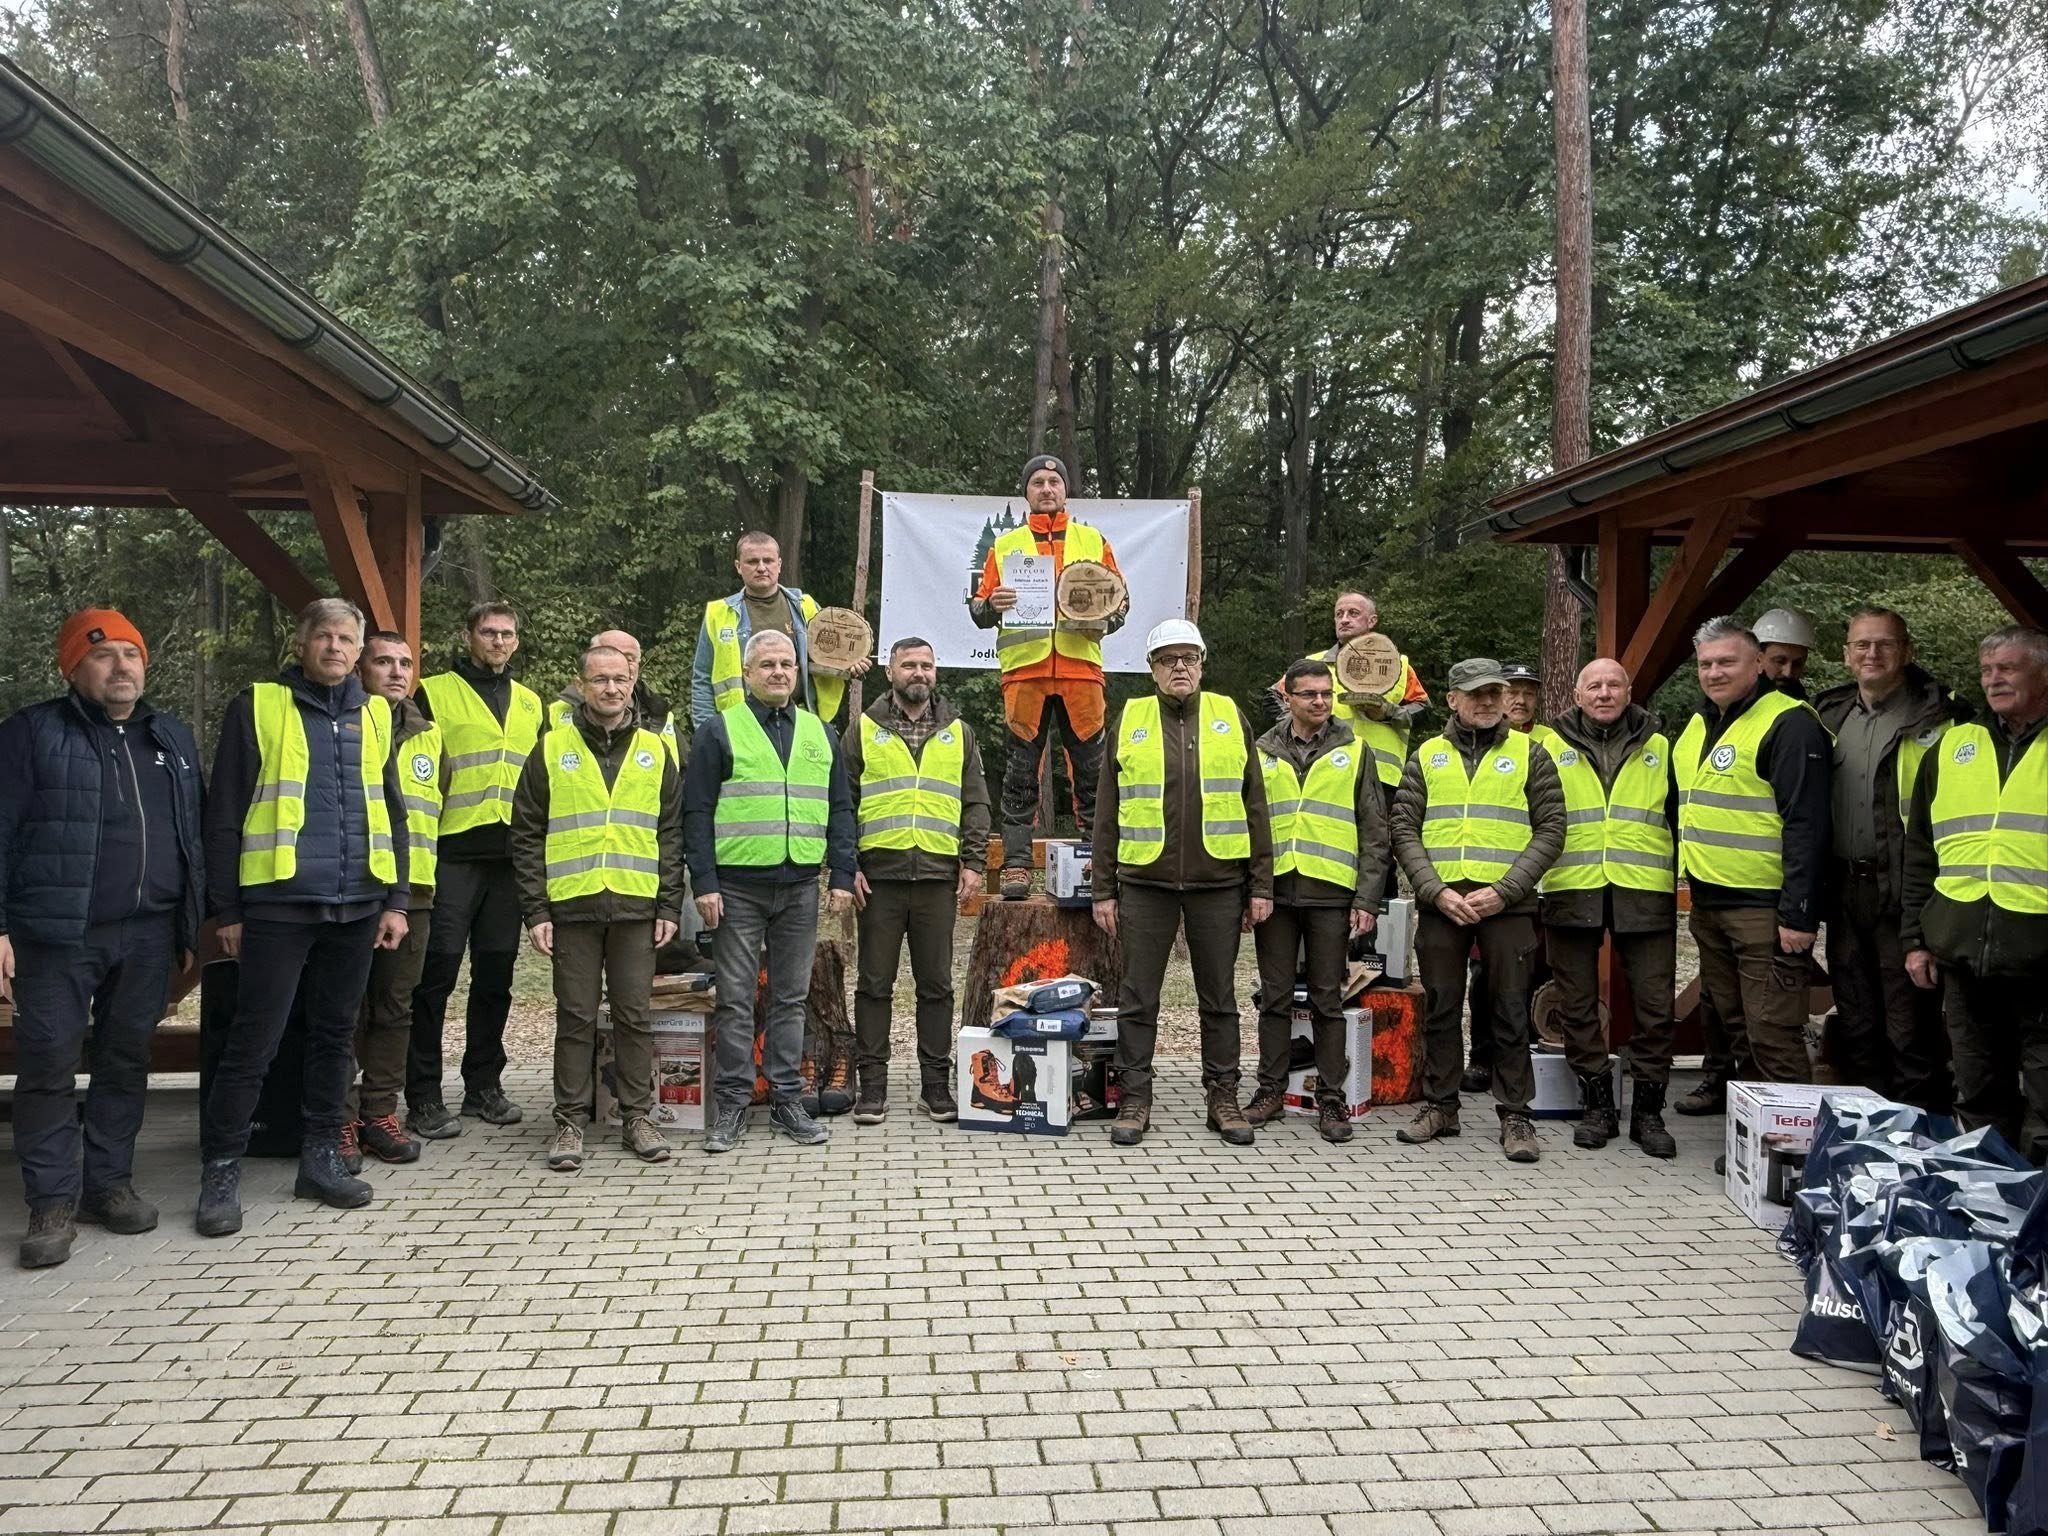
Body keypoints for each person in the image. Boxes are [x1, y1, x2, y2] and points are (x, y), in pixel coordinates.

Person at [198, 599, 411, 1237]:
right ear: (302, 642)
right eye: (325, 636)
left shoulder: (376, 714)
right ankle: (221, 1169)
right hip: (278, 904)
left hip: (356, 904)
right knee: (253, 1042)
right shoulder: (258, 706)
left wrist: (395, 898)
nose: (337, 648)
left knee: (334, 1036)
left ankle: (321, 1158)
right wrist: (227, 908)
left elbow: (391, 810)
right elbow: (225, 813)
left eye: (347, 639)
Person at [0, 610, 204, 1269]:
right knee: (49, 1065)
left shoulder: (168, 736)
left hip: (147, 933)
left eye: (131, 654)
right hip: (56, 936)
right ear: (71, 667)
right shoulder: (31, 734)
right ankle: (50, 1204)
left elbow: (191, 836)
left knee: (123, 1061)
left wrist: (193, 922)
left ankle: (108, 1185)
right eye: (103, 656)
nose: (121, 667)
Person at [1092, 619, 1273, 1148]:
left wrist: (1260, 884)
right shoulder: (1128, 718)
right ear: (1151, 669)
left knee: (1219, 998)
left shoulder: (1228, 716)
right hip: (1144, 884)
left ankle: (1223, 1097)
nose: (1179, 667)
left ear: (1202, 664)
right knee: (1138, 997)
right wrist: (1104, 889)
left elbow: (1255, 804)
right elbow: (1107, 813)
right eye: (1168, 658)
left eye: (1188, 658)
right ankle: (1135, 1098)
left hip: (1219, 883)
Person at [512, 643, 686, 1172]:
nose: (611, 688)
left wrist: (669, 906)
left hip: (636, 907)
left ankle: (637, 1115)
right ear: (582, 684)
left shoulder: (658, 750)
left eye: (620, 679)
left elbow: (671, 834)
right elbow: (526, 833)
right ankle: (568, 1122)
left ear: (632, 682)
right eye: (599, 680)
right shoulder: (549, 748)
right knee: (576, 1016)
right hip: (572, 907)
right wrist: (536, 911)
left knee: (635, 1016)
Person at [685, 630, 857, 1153]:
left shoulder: (819, 732)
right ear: (747, 672)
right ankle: (733, 1105)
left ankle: (786, 1101)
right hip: (737, 889)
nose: (779, 672)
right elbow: (696, 812)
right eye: (767, 665)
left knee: (791, 998)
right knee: (736, 1000)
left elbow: (840, 809)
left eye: (787, 663)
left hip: (800, 885)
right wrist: (705, 883)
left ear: (798, 671)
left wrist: (844, 876)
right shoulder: (720, 732)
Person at [1392, 659, 1565, 1163]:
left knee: (1509, 1008)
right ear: (1452, 700)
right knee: (1442, 1006)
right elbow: (1403, 827)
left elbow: (1552, 829)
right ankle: (1441, 1105)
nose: (1487, 702)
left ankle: (1515, 1114)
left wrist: (1507, 889)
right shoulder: (1427, 755)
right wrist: (1434, 889)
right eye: (1475, 694)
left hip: (1506, 903)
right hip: (1442, 900)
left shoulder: (1531, 754)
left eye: (1494, 693)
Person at [1902, 626, 2048, 1160]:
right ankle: (1988, 1207)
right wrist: (1916, 938)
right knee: (1978, 1091)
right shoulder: (1954, 747)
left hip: (2040, 955)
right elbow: (1919, 851)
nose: (1994, 679)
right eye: (1987, 670)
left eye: (2008, 668)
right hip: (1963, 954)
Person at [1674, 616, 1830, 1097]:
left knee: (1772, 1030)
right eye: (1705, 664)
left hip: (1765, 909)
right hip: (1710, 902)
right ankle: (1754, 1140)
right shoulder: (1702, 723)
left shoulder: (1789, 723)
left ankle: (1791, 1153)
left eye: (1727, 661)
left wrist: (1799, 914)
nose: (1715, 672)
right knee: (1734, 1021)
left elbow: (1807, 824)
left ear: (1759, 663)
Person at [1814, 607, 1962, 1109]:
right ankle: (1867, 1136)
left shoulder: (1941, 721)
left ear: (1907, 651)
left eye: (1884, 644)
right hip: (1845, 889)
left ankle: (1921, 1135)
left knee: (1911, 1026)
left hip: (1907, 890)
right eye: (1862, 645)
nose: (1872, 654)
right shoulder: (1829, 718)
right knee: (1857, 1021)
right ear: (1846, 655)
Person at [1535, 658, 1680, 1157]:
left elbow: (1684, 820)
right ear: (1577, 694)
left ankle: (1648, 1111)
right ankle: (1597, 1103)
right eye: (1593, 685)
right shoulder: (1549, 745)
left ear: (1629, 690)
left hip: (1645, 890)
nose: (1603, 693)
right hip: (1572, 886)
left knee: (1656, 1008)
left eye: (1613, 684)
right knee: (1575, 1006)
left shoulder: (1661, 745)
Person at [409, 602, 543, 1136]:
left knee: (495, 979)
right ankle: (421, 1093)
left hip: (509, 861)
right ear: (469, 636)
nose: (498, 641)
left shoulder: (533, 703)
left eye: (507, 633)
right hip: (451, 854)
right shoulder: (433, 692)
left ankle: (483, 1085)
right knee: (434, 979)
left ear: (516, 641)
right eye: (488, 632)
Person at [844, 637, 991, 1122]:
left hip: (936, 878)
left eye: (927, 665)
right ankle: (873, 1088)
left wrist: (973, 863)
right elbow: (842, 803)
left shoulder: (959, 732)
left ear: (936, 672)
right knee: (873, 985)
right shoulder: (862, 729)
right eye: (909, 664)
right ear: (890, 671)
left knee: (936, 986)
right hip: (878, 879)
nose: (919, 673)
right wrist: (848, 867)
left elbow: (976, 803)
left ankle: (935, 1086)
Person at [968, 455, 1127, 901]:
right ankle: (1017, 866)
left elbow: (1121, 605)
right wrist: (991, 604)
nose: (1046, 489)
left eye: (1054, 481)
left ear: (1065, 489)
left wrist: (1103, 620)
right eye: (1037, 482)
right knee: (1021, 774)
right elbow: (979, 610)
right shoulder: (1006, 546)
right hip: (1025, 674)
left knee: (1092, 774)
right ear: (1026, 493)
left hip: (1081, 672)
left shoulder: (1093, 541)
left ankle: (1099, 863)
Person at [1244, 658, 1389, 1144]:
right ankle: (1269, 1091)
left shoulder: (1356, 749)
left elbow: (1375, 831)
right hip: (1277, 893)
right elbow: (1249, 824)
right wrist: (1254, 889)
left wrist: (1368, 897)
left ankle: (1331, 1098)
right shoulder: (1261, 750)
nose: (1321, 702)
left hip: (1332, 892)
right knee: (1275, 997)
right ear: (1287, 697)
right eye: (1309, 694)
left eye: (1327, 694)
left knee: (1329, 999)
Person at [343, 631, 442, 1169]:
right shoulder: (344, 728)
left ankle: (381, 1112)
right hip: (351, 890)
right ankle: (337, 1117)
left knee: (395, 1009)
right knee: (341, 1010)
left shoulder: (429, 738)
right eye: (384, 661)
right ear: (360, 669)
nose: (397, 672)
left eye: (406, 663)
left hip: (415, 894)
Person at [690, 532, 865, 728]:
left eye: (768, 560)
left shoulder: (806, 607)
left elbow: (833, 657)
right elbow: (702, 679)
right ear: (738, 567)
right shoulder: (719, 613)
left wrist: (851, 662)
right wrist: (704, 731)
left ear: (779, 565)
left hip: (801, 721)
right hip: (741, 726)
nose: (762, 568)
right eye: (752, 561)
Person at [1294, 591, 1429, 791]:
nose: (1344, 620)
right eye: (1339, 614)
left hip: (1380, 777)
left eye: (1353, 613)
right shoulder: (1313, 663)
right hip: (1322, 769)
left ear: (1372, 620)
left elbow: (1424, 710)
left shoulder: (1397, 665)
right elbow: (1275, 698)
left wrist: (1387, 713)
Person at [551, 628, 684, 766]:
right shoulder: (558, 712)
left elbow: (684, 774)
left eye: (629, 658)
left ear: (638, 664)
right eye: (611, 654)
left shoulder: (660, 714)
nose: (621, 663)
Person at [1754, 607, 1818, 696]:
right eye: (1779, 661)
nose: (1788, 673)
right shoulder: (1733, 699)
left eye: (1797, 664)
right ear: (1758, 659)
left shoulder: (1802, 703)